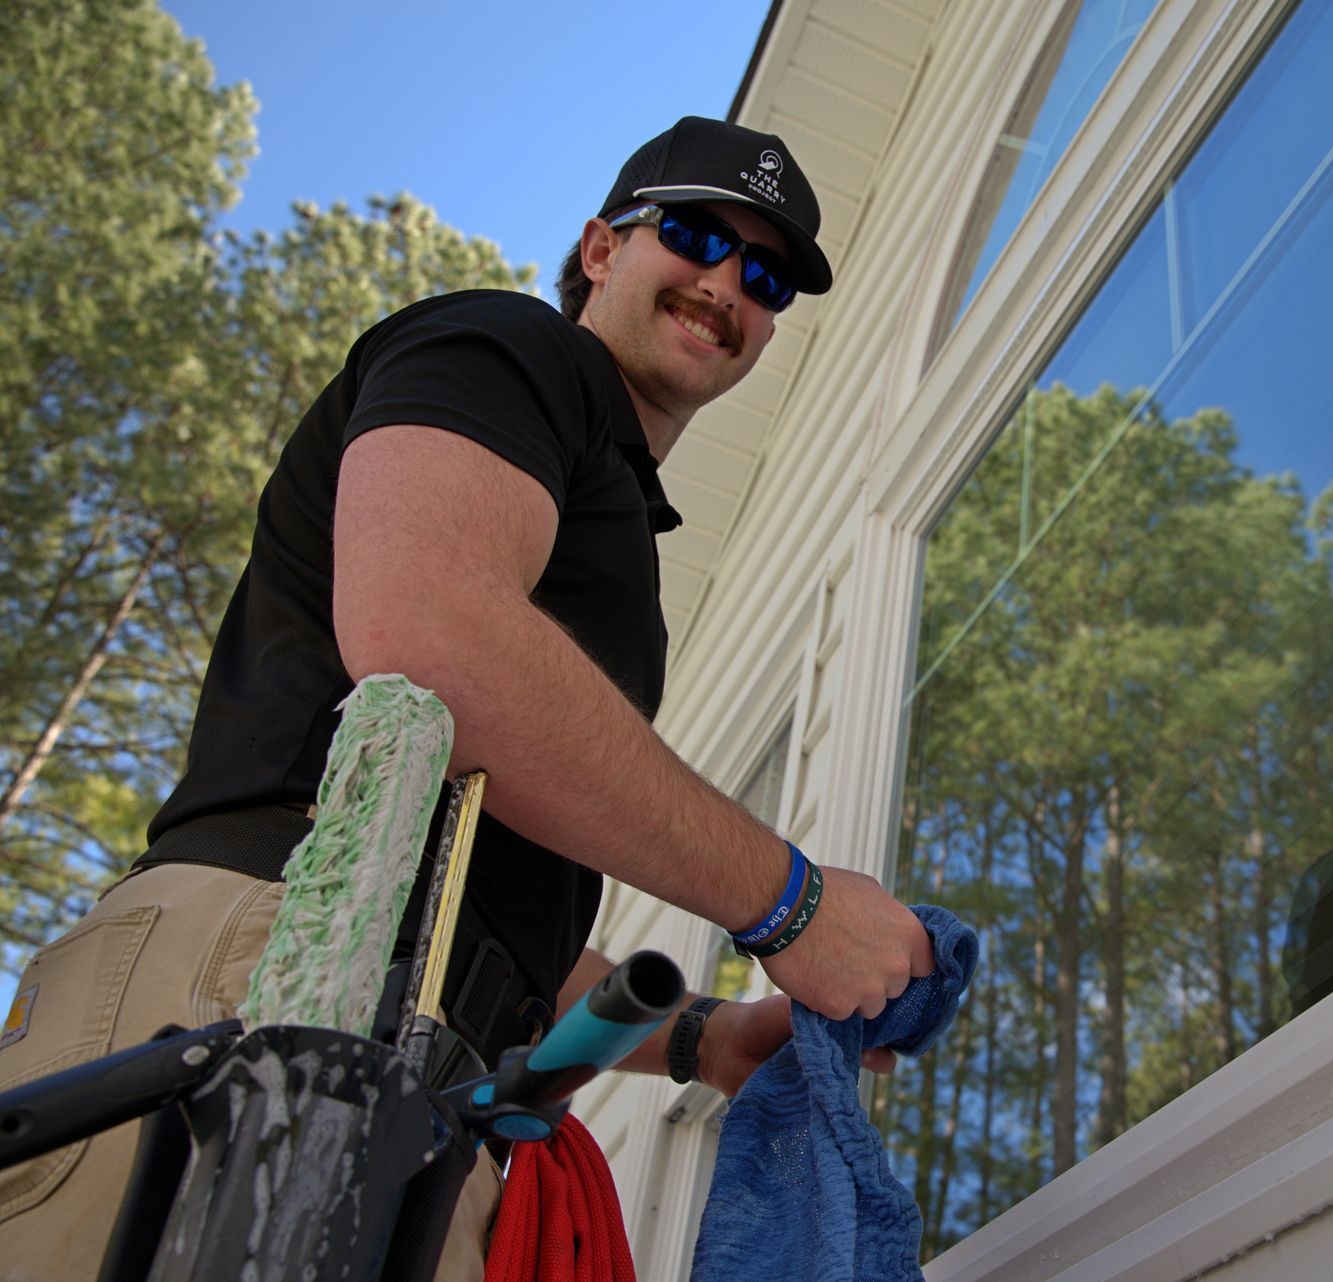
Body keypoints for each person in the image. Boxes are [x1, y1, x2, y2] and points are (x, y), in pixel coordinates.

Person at [0, 116, 933, 1281]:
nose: (725, 285)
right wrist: (790, 906)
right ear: (600, 248)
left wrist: (704, 1036)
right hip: (253, 981)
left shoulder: (606, 516)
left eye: (767, 275)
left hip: (421, 1061)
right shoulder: (509, 348)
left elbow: (476, 909)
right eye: (693, 234)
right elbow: (427, 637)